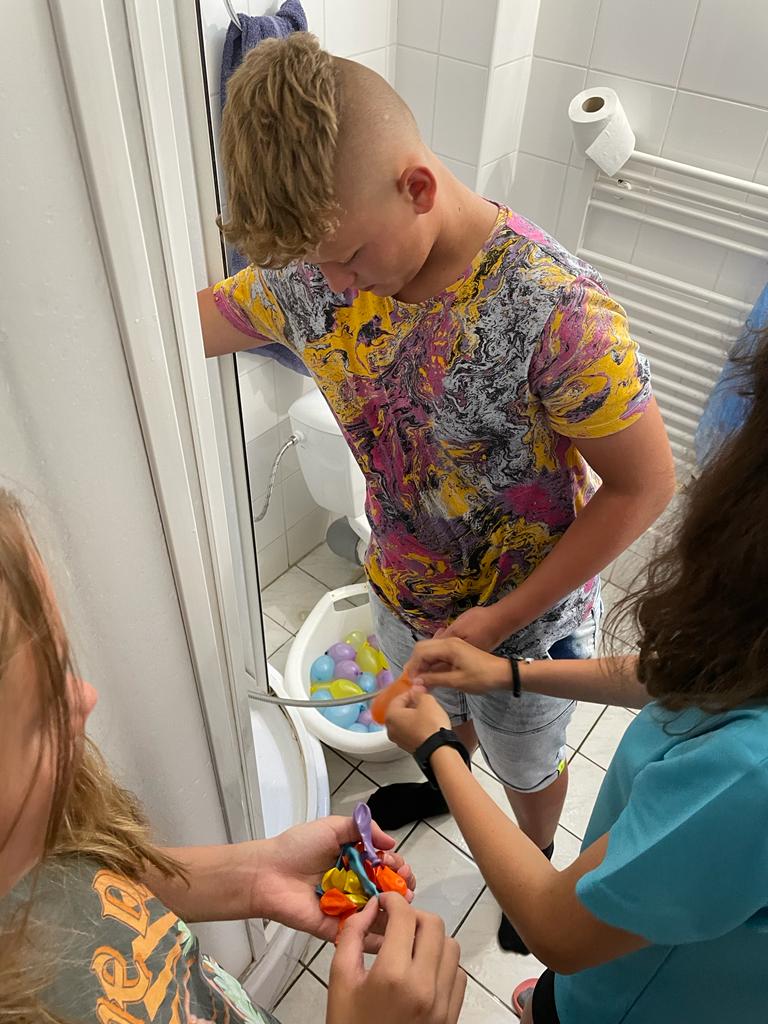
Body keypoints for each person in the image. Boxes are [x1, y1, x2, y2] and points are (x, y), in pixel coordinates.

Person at [197, 33, 675, 954]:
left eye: (348, 258)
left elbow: (644, 486)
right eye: (317, 266)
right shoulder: (313, 271)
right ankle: (442, 776)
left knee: (528, 766)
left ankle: (530, 856)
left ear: (417, 187)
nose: (333, 288)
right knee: (437, 724)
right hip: (402, 589)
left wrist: (498, 623)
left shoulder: (557, 314)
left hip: (529, 626)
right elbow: (176, 324)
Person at [383, 326, 768, 1022]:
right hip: (616, 958)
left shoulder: (749, 776)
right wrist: (507, 674)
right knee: (555, 995)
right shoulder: (751, 658)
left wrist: (438, 748)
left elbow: (559, 933)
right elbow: (680, 677)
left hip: (638, 1001)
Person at [0, 490, 467, 1024]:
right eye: (40, 711)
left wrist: (256, 873)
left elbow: (99, 884)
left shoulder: (43, 837)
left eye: (63, 667)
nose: (85, 698)